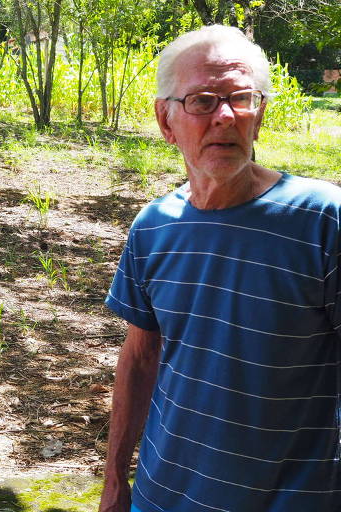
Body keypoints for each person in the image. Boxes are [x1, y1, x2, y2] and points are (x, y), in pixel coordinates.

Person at [98, 24, 341, 512]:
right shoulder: (153, 226)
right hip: (163, 495)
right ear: (166, 121)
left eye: (241, 99)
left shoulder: (323, 219)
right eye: (203, 101)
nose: (225, 117)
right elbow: (140, 359)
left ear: (261, 114)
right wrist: (115, 480)